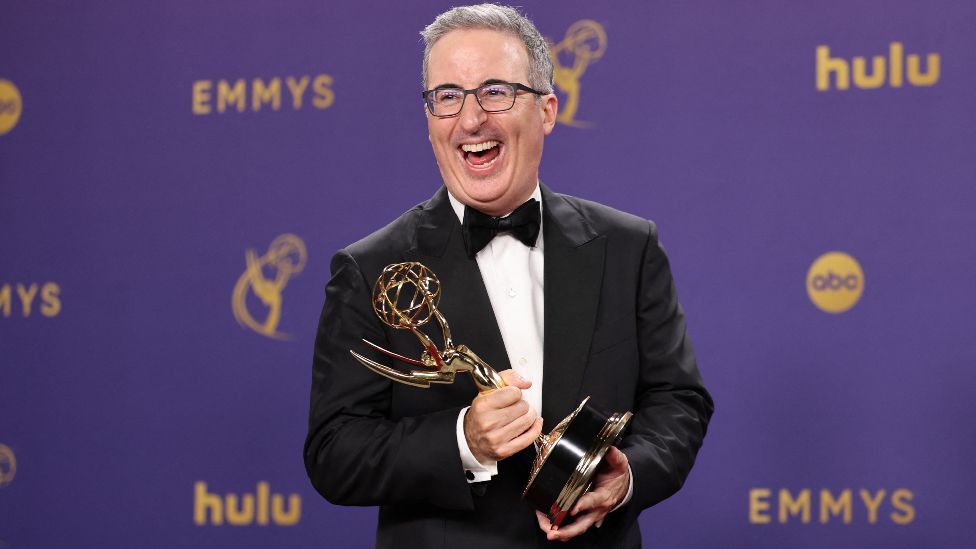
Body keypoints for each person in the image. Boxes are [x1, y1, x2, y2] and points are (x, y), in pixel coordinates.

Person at [304, 4, 713, 548]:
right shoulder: (370, 268)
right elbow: (334, 451)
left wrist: (626, 476)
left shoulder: (628, 247)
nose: (471, 119)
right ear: (428, 118)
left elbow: (677, 400)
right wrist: (462, 441)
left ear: (547, 110)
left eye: (495, 91)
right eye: (447, 96)